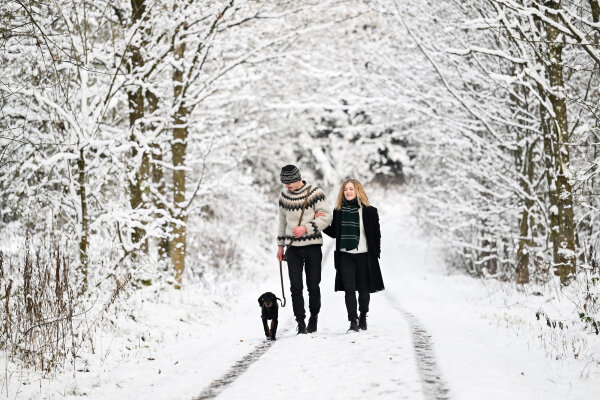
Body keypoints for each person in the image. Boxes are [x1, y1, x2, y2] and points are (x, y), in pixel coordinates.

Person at [277, 165, 332, 334]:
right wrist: (280, 246)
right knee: (295, 287)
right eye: (284, 184)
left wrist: (306, 228)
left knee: (313, 285)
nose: (286, 187)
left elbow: (327, 217)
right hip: (292, 248)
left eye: (289, 183)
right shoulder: (284, 196)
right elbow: (282, 222)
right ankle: (300, 322)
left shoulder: (315, 193)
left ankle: (313, 317)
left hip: (313, 246)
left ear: (296, 179)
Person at [323, 178, 384, 332]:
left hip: (364, 256)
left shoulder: (370, 211)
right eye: (345, 189)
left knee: (363, 290)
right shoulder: (339, 211)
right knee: (349, 289)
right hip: (345, 255)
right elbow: (334, 232)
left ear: (358, 191)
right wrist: (320, 224)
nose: (348, 192)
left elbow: (376, 234)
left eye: (351, 189)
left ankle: (363, 314)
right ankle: (353, 321)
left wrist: (376, 253)